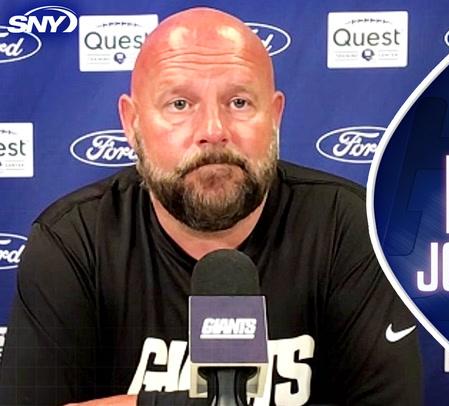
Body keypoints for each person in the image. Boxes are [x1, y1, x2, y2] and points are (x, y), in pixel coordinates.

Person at [0, 7, 421, 406]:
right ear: (132, 123)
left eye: (239, 102)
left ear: (275, 116)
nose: (213, 131)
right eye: (180, 104)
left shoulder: (350, 227)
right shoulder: (74, 241)